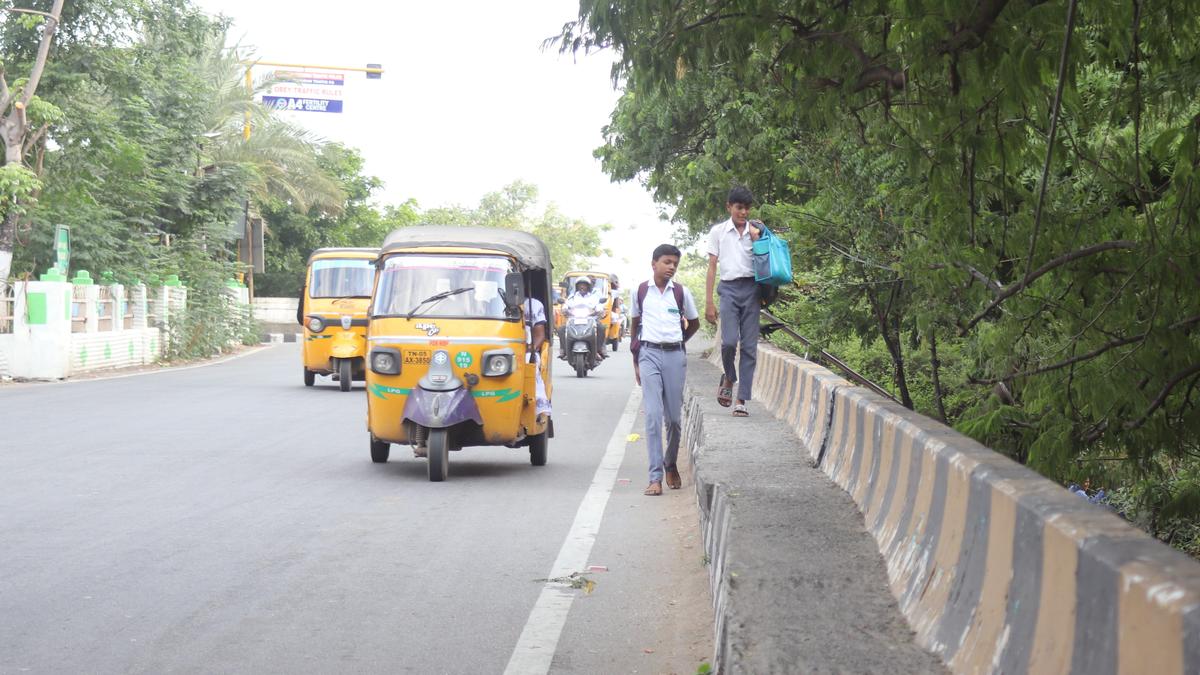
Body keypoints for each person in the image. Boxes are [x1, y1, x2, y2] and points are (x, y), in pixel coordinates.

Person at [631, 244, 700, 496]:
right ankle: (655, 477)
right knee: (652, 415)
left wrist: (680, 340)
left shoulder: (681, 292)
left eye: (675, 263)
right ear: (654, 263)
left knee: (673, 419)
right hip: (648, 354)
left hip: (674, 355)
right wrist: (636, 360)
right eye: (667, 262)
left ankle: (670, 463)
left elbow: (694, 322)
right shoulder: (640, 291)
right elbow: (635, 325)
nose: (671, 267)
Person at [705, 185, 762, 418]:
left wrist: (757, 239)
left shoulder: (756, 230)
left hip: (752, 290)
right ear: (729, 207)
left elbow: (767, 260)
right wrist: (709, 302)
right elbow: (712, 267)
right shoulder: (718, 232)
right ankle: (729, 377)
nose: (743, 213)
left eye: (747, 208)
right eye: (739, 208)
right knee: (729, 343)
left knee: (749, 348)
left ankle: (742, 399)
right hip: (728, 290)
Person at [523, 295, 552, 424]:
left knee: (529, 362)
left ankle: (540, 409)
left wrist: (531, 348)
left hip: (525, 350)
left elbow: (540, 335)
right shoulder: (487, 300)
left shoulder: (533, 305)